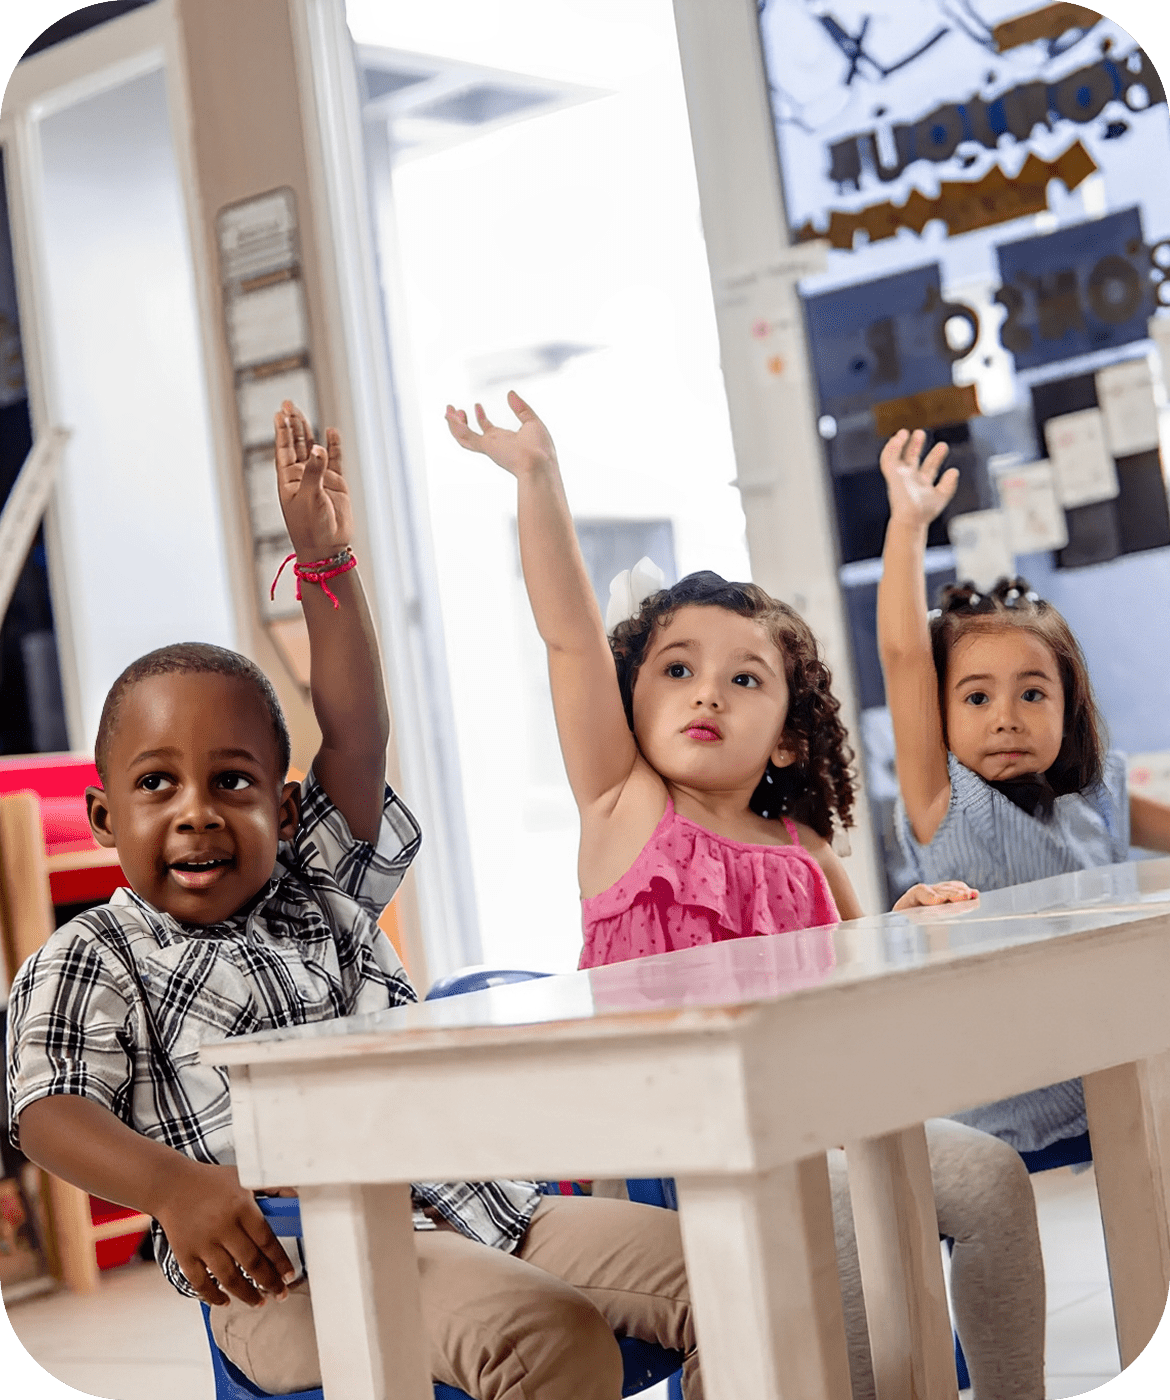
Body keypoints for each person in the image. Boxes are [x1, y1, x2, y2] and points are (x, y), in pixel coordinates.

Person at [6, 401, 700, 1400]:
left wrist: (325, 563)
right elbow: (46, 1106)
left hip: (484, 1206)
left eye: (233, 782)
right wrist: (175, 1186)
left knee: (729, 1270)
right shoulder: (95, 953)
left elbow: (357, 734)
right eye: (158, 785)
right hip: (292, 1272)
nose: (196, 813)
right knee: (550, 1335)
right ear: (104, 816)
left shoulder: (318, 886)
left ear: (286, 811)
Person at [447, 391, 1046, 1400]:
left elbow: (865, 977)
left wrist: (908, 926)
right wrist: (539, 479)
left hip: (819, 1119)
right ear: (631, 695)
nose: (707, 692)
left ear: (791, 733)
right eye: (676, 669)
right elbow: (566, 638)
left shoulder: (802, 846)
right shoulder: (626, 806)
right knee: (849, 1215)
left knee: (991, 1177)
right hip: (676, 1140)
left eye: (745, 678)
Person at [876, 426, 1170, 1157]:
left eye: (1032, 693)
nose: (1005, 715)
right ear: (939, 714)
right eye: (975, 698)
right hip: (1002, 1126)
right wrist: (908, 524)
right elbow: (905, 654)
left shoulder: (1096, 794)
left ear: (1067, 706)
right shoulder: (942, 801)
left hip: (1119, 1097)